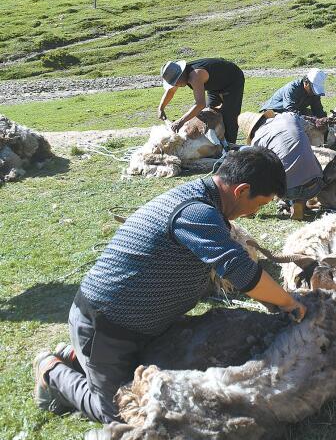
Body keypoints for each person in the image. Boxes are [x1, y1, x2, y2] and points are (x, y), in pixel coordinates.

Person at [33, 148, 305, 423]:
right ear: (242, 190)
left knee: (164, 387)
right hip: (108, 326)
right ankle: (51, 370)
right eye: (258, 205)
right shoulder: (196, 211)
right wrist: (287, 302)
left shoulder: (204, 201)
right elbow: (237, 268)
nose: (254, 213)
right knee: (124, 415)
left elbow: (240, 271)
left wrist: (270, 300)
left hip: (144, 325)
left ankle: (80, 357)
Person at [239, 111, 324, 221]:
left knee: (266, 171)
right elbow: (309, 128)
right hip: (317, 183)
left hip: (289, 191)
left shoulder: (257, 140)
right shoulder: (289, 116)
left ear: (251, 132)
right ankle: (299, 202)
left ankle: (251, 207)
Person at [158, 58, 246, 144]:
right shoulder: (182, 76)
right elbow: (171, 91)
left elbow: (200, 104)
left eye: (176, 82)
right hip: (214, 84)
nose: (176, 85)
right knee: (208, 114)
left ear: (181, 74)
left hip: (232, 80)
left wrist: (180, 121)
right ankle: (214, 145)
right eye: (173, 83)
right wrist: (161, 108)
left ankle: (229, 147)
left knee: (229, 117)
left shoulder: (195, 75)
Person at [260, 69, 328, 126]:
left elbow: (317, 109)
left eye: (315, 91)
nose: (313, 93)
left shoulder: (314, 93)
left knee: (313, 117)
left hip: (294, 110)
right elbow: (290, 110)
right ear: (306, 83)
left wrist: (325, 119)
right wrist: (311, 119)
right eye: (312, 90)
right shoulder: (293, 88)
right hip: (274, 111)